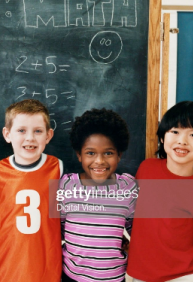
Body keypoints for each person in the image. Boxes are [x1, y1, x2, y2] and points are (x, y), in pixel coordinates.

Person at [127, 101, 193, 282]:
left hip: (183, 276)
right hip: (140, 275)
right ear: (162, 137)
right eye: (175, 131)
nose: (182, 140)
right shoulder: (146, 169)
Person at [0, 99, 63, 282]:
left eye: (38, 131)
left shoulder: (58, 168)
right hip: (5, 266)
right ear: (7, 134)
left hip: (46, 266)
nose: (30, 138)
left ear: (48, 135)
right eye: (21, 130)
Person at [59, 109, 137, 282]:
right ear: (79, 155)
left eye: (108, 153)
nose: (99, 161)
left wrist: (131, 244)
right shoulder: (66, 186)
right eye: (90, 153)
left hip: (114, 278)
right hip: (72, 277)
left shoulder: (128, 187)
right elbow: (60, 228)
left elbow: (137, 229)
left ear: (119, 155)